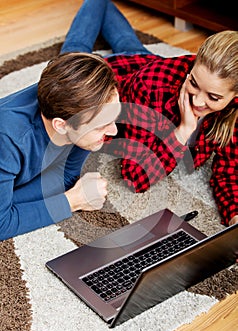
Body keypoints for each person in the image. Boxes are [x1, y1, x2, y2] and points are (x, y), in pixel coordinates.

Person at [60, 0, 238, 227]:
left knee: (130, 46)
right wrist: (182, 133)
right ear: (193, 64)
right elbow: (134, 177)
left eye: (213, 97)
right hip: (118, 79)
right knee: (71, 61)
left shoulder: (233, 106)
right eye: (193, 83)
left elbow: (230, 173)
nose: (197, 101)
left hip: (147, 64)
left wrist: (235, 219)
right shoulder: (151, 88)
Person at [0, 52, 120, 240]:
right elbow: (2, 224)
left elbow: (67, 175)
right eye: (101, 126)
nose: (113, 131)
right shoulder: (8, 141)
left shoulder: (76, 103)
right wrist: (73, 200)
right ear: (61, 125)